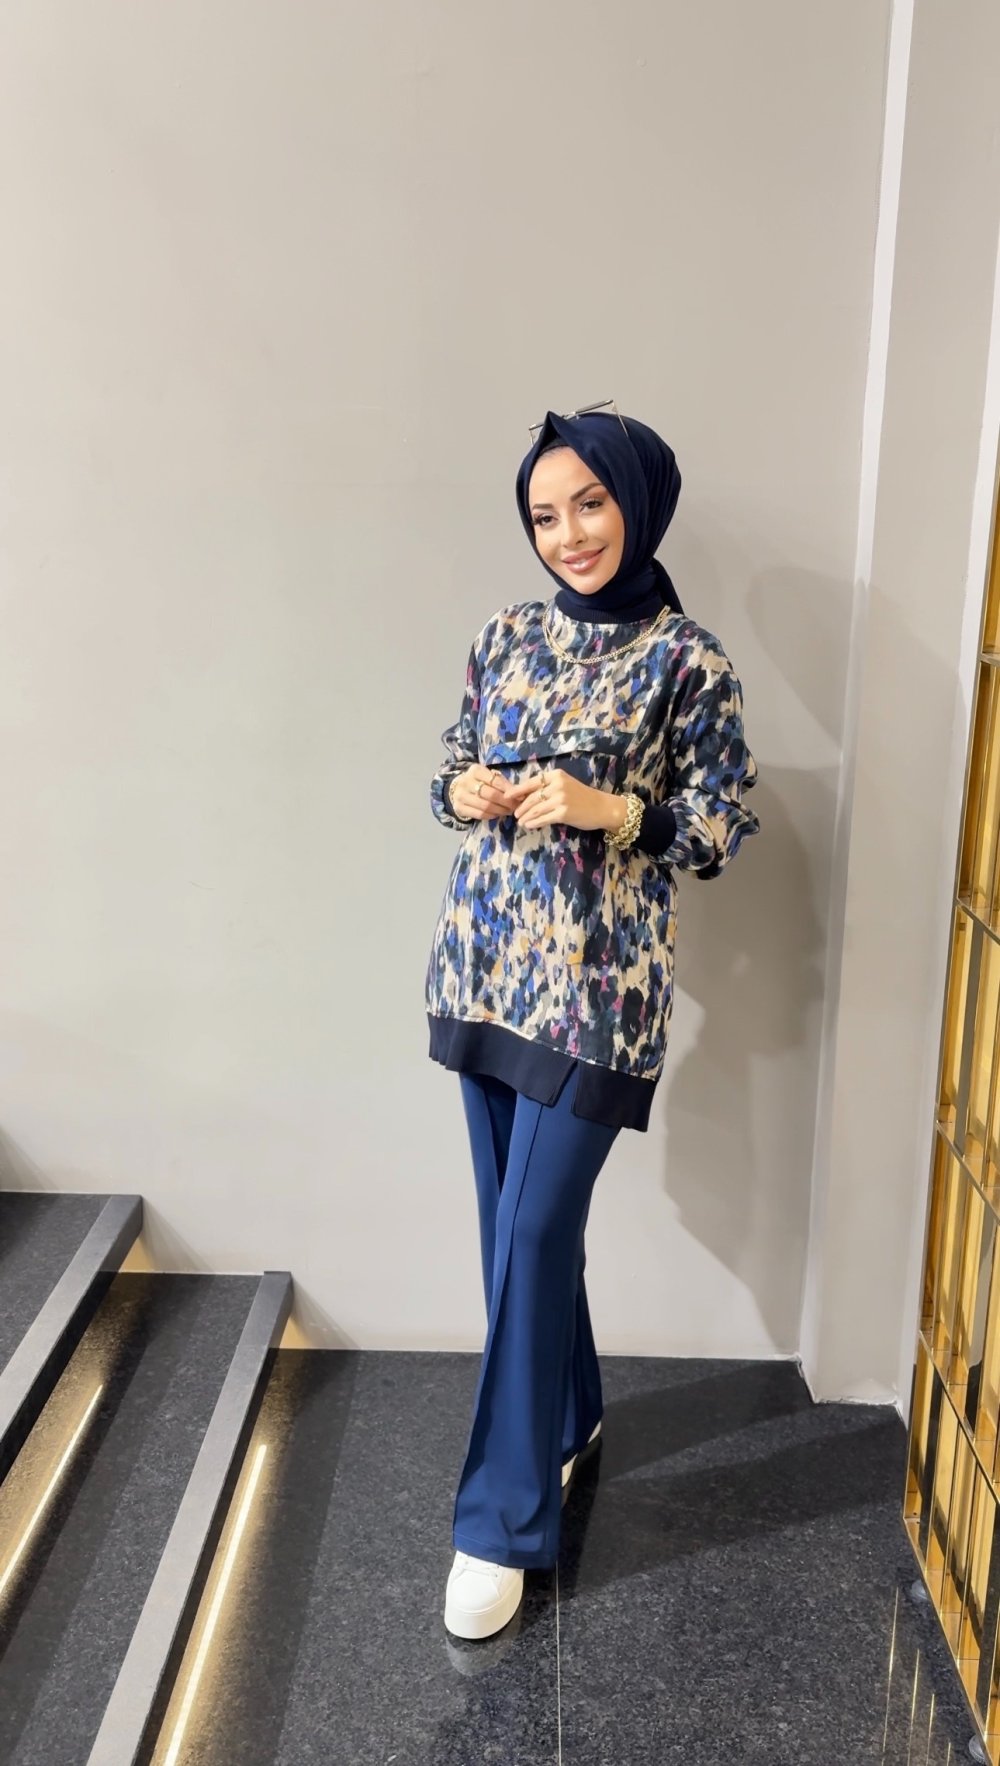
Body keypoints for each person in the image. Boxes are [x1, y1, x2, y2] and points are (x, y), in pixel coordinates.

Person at [424, 403, 760, 1641]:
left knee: (532, 1231)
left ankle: (502, 1520)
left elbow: (719, 825)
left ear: (637, 500)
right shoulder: (503, 634)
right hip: (482, 969)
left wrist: (611, 808)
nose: (566, 534)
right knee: (513, 1237)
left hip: (599, 995)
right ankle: (568, 1418)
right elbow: (448, 764)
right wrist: (465, 785)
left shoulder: (689, 663)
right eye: (544, 513)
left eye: (589, 503)